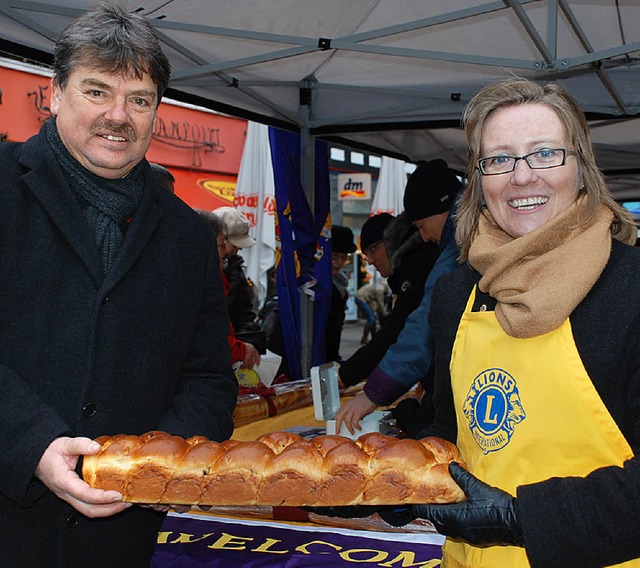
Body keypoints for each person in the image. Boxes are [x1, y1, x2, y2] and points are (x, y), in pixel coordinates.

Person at [0, 4, 238, 567]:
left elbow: (208, 378)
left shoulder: (188, 235)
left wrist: (154, 464)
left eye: (139, 99)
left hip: (119, 540)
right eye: (97, 91)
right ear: (55, 93)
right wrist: (31, 444)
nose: (118, 115)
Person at [394, 78, 640, 567]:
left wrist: (521, 518)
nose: (522, 177)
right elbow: (453, 428)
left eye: (544, 153)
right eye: (500, 159)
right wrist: (389, 479)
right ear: (481, 181)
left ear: (581, 167)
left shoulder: (632, 289)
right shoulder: (456, 292)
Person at [335, 159, 462, 435]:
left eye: (420, 224)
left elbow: (419, 328)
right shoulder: (454, 244)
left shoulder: (448, 255)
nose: (424, 236)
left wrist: (371, 394)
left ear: (440, 209)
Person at [337, 211, 439, 397]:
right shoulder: (405, 272)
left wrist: (345, 375)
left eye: (373, 249)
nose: (370, 260)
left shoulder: (418, 267)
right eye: (366, 253)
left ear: (393, 241)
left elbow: (397, 332)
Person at [199, 210, 261, 372]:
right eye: (223, 245)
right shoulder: (196, 278)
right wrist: (238, 349)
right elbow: (202, 334)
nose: (230, 251)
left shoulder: (231, 271)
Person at [213, 206, 261, 335]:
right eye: (235, 245)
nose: (239, 249)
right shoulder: (199, 269)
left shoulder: (235, 269)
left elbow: (244, 311)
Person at [324, 224, 356, 362]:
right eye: (335, 256)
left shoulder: (339, 284)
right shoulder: (318, 285)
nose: (339, 263)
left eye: (343, 257)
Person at [355, 280, 389, 344]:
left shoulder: (379, 286)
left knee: (372, 318)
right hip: (361, 298)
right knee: (371, 318)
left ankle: (374, 338)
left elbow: (378, 305)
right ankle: (364, 338)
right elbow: (380, 304)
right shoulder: (380, 290)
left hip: (360, 297)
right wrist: (385, 314)